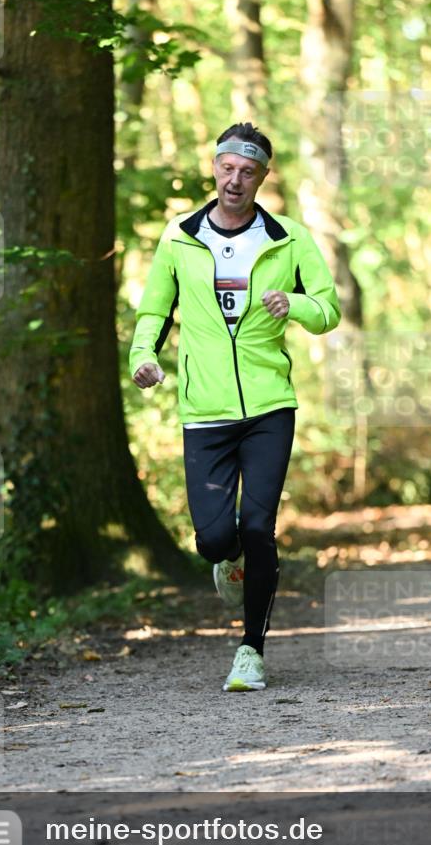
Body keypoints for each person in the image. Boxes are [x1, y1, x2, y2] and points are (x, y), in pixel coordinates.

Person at [129, 122, 341, 691]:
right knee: (215, 539)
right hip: (205, 411)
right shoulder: (179, 237)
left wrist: (292, 303)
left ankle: (251, 650)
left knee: (258, 526)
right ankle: (229, 562)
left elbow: (328, 309)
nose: (235, 179)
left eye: (248, 171)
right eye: (228, 167)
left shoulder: (288, 237)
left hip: (270, 405)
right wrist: (142, 356)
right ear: (214, 167)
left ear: (262, 177)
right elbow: (154, 310)